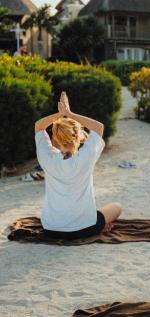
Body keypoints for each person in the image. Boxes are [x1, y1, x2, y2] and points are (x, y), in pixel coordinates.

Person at [34, 91, 121, 239]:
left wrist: (60, 114)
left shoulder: (47, 158)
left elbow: (38, 126)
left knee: (94, 212)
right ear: (77, 136)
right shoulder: (84, 158)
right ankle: (100, 225)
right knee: (117, 207)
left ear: (55, 137)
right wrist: (69, 113)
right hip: (83, 229)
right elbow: (99, 128)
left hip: (50, 228)